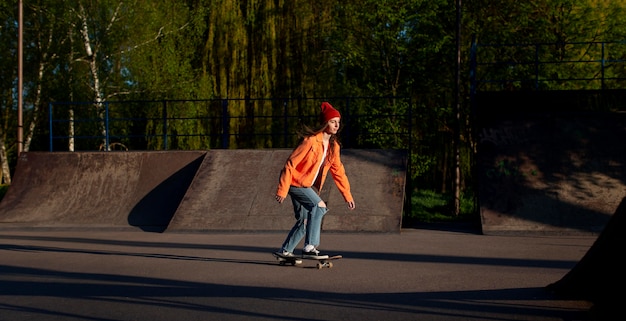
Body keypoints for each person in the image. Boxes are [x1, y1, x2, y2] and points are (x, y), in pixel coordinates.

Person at [275, 101, 356, 259]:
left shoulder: (334, 147)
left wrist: (347, 194)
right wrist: (283, 189)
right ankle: (310, 247)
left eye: (338, 122)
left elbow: (338, 171)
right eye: (333, 122)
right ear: (325, 123)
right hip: (294, 183)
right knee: (319, 206)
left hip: (304, 185)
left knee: (305, 220)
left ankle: (285, 251)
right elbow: (290, 163)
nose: (336, 125)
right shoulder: (311, 141)